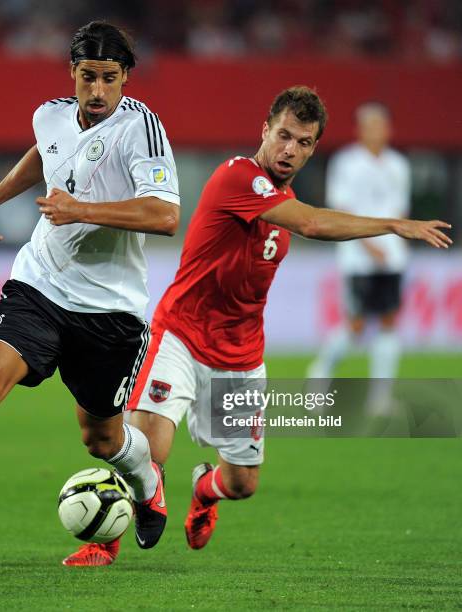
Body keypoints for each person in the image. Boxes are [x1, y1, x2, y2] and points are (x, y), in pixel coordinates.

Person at [65, 86, 451, 566]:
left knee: (242, 484)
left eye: (304, 143)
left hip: (240, 356)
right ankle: (105, 542)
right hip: (181, 336)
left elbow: (303, 220)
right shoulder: (237, 176)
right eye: (284, 136)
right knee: (148, 449)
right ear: (264, 130)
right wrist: (394, 225)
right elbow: (311, 225)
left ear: (313, 148)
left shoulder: (282, 198)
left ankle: (204, 492)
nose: (291, 150)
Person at [0, 21, 180, 564]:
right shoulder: (50, 113)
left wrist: (82, 210)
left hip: (110, 309)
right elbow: (45, 154)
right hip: (41, 282)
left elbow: (166, 214)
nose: (98, 91)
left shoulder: (141, 128)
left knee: (102, 438)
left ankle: (149, 485)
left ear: (127, 79)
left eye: (110, 79)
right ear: (72, 73)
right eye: (88, 77)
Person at [306, 102, 411, 412]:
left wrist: (396, 243)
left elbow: (401, 210)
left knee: (390, 321)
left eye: (381, 125)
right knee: (356, 324)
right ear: (360, 130)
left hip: (392, 257)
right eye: (370, 125)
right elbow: (342, 209)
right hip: (358, 258)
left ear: (388, 129)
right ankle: (320, 373)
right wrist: (369, 244)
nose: (376, 131)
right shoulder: (346, 163)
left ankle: (380, 398)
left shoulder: (398, 165)